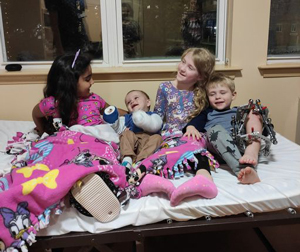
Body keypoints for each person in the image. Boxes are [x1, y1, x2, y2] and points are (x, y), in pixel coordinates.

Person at [153, 47, 218, 206]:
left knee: (198, 151)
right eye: (183, 62)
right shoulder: (165, 88)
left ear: (200, 76)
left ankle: (204, 180)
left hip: (191, 135)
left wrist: (192, 127)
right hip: (170, 134)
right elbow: (157, 117)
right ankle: (157, 182)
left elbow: (205, 115)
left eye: (190, 67)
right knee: (163, 152)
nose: (182, 68)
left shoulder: (201, 92)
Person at [183, 72, 262, 184]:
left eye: (223, 92)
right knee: (214, 131)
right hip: (219, 148)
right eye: (212, 94)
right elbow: (195, 122)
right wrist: (191, 127)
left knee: (255, 111)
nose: (218, 96)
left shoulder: (239, 111)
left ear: (233, 95)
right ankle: (245, 170)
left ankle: (252, 149)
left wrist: (252, 113)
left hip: (241, 143)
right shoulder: (208, 113)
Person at [32, 51, 127, 136]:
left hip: (99, 142)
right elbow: (35, 114)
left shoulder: (94, 98)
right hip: (74, 145)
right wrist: (43, 132)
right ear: (70, 83)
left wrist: (131, 113)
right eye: (87, 79)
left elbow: (111, 110)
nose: (92, 82)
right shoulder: (53, 103)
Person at [103, 90, 163, 169]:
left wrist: (143, 120)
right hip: (133, 143)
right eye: (128, 102)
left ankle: (141, 161)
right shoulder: (128, 117)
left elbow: (156, 125)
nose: (132, 101)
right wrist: (111, 117)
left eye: (136, 98)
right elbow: (116, 128)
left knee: (157, 138)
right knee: (125, 134)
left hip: (148, 142)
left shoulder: (153, 115)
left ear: (148, 102)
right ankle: (127, 159)